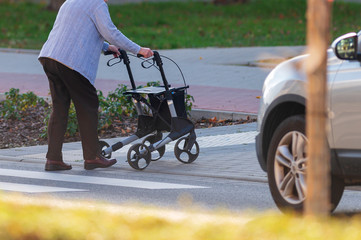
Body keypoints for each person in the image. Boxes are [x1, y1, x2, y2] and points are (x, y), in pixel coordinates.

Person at [38, 0, 153, 171]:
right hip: (71, 62)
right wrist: (138, 50)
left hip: (50, 57)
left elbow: (78, 30)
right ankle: (92, 157)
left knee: (59, 109)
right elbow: (111, 32)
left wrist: (107, 47)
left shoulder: (71, 1)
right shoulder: (97, 4)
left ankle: (53, 159)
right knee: (88, 105)